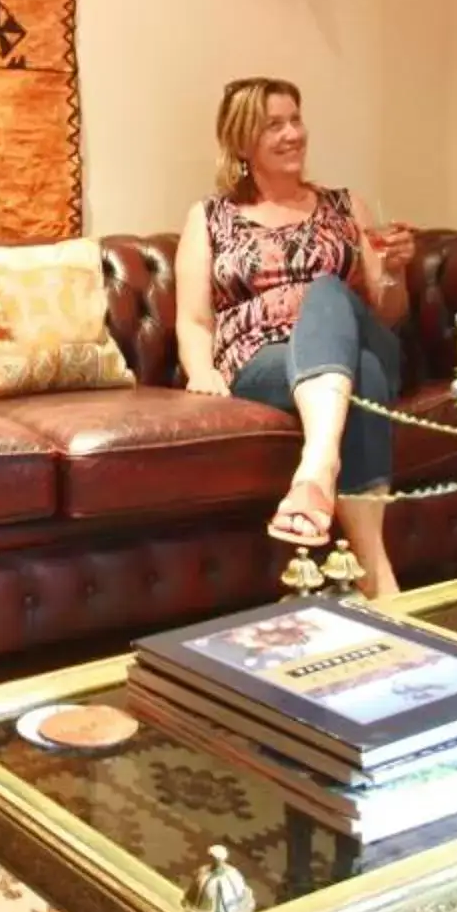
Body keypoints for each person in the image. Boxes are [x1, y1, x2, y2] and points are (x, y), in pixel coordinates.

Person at [175, 77, 417, 597]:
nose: (293, 134)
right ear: (243, 143)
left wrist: (394, 271)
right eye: (273, 125)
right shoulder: (211, 217)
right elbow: (194, 319)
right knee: (364, 380)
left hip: (362, 339)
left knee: (328, 294)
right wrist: (202, 370)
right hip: (263, 362)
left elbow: (388, 312)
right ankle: (379, 579)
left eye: (295, 119)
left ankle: (317, 466)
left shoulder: (345, 205)